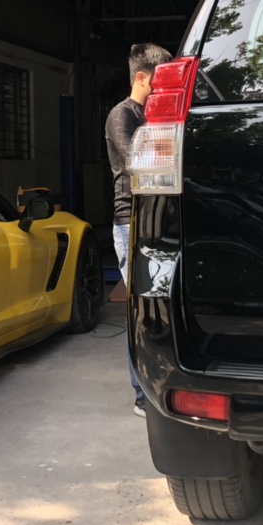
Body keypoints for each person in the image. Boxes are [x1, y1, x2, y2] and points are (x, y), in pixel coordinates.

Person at [105, 42, 171, 418]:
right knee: (141, 313)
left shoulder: (150, 117)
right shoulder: (122, 115)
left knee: (158, 306)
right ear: (141, 78)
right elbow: (137, 160)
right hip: (130, 224)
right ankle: (141, 396)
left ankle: (158, 387)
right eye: (159, 82)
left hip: (154, 220)